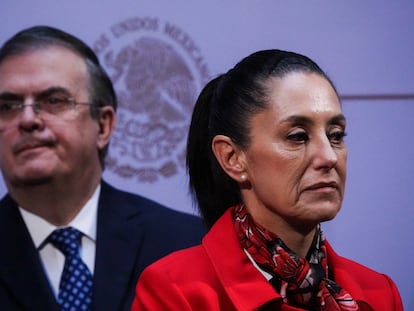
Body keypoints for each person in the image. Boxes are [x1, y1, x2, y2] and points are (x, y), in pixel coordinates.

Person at [131, 49, 403, 310]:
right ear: (232, 158)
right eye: (298, 136)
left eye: (336, 135)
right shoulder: (176, 291)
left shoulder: (379, 292)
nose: (328, 157)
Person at [0, 25, 206, 311]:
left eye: (54, 101)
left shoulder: (188, 244)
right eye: (7, 106)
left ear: (103, 125)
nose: (27, 119)